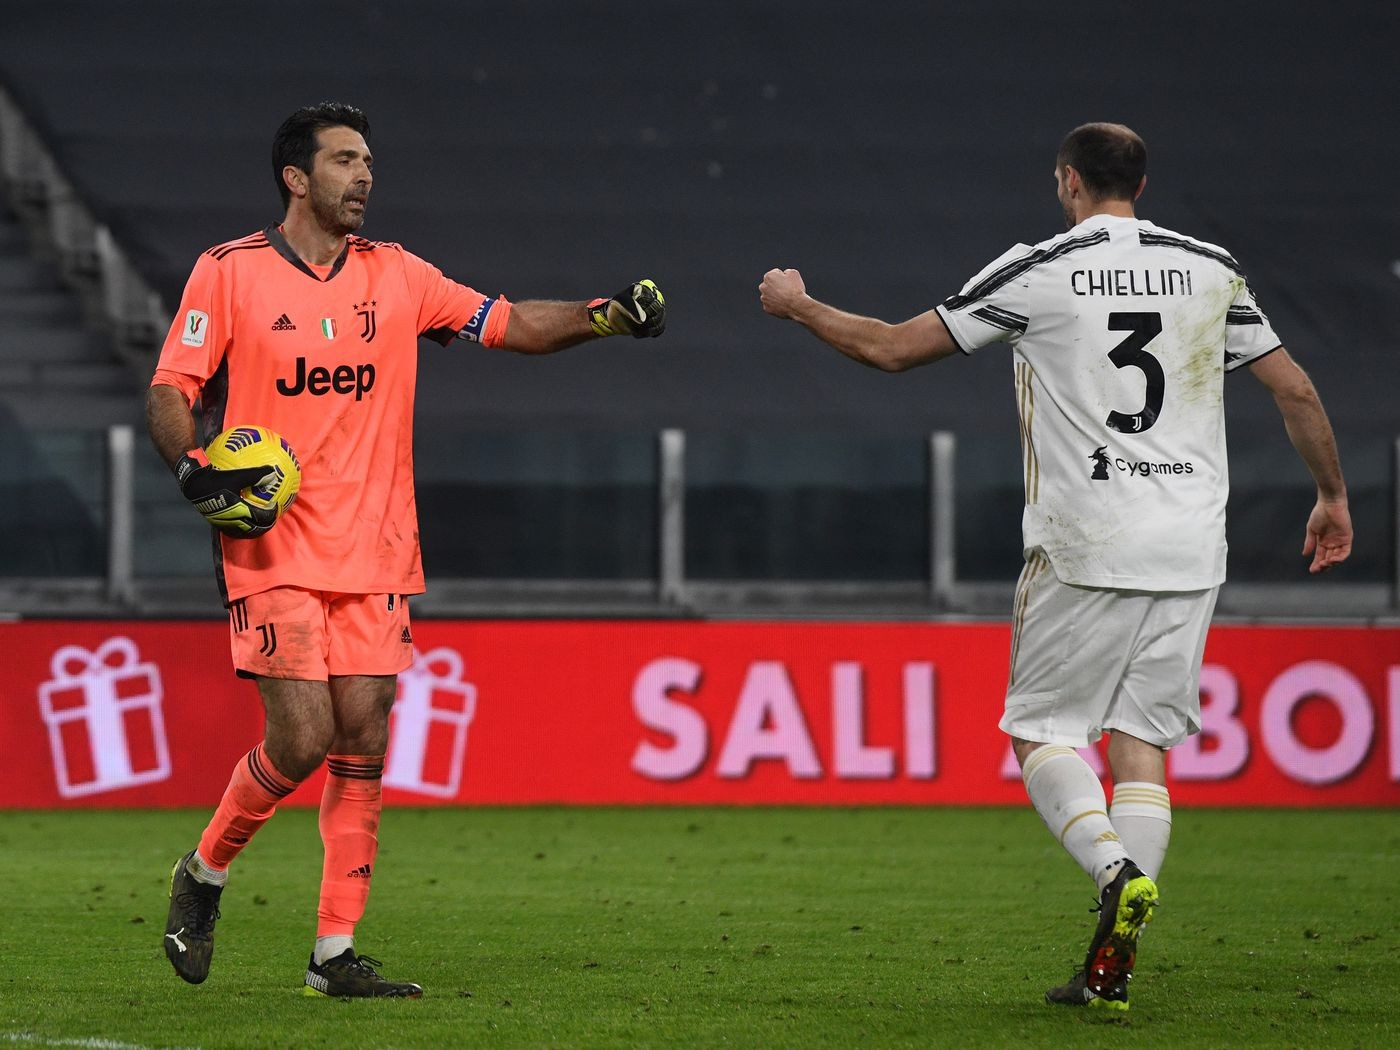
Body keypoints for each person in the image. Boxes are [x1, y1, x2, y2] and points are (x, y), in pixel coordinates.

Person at [759, 122, 1350, 1012]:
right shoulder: (1209, 266)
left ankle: (1115, 874)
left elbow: (890, 347)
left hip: (1086, 541)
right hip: (1191, 545)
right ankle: (1116, 952)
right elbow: (1295, 387)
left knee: (1040, 731)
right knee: (1139, 740)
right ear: (1141, 187)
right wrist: (1332, 497)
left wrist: (798, 305)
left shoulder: (1038, 269)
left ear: (1069, 182)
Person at [148, 101, 666, 998]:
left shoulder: (400, 277)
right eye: (346, 160)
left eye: (370, 162)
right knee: (302, 738)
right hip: (272, 545)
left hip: (379, 548)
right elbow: (172, 386)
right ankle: (205, 869)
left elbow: (510, 324)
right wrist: (194, 466)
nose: (365, 176)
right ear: (296, 177)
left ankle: (332, 954)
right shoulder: (228, 273)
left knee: (364, 743)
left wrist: (605, 316)